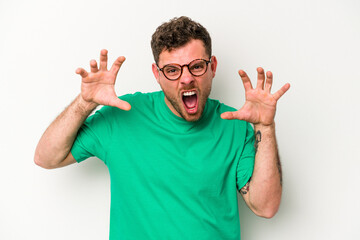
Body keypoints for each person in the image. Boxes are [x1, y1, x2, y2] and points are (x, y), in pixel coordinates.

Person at [34, 16, 290, 240]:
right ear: (157, 74)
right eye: (172, 70)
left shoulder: (234, 125)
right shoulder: (122, 116)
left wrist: (265, 126)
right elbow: (46, 157)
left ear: (212, 67)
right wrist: (85, 102)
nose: (186, 78)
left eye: (197, 66)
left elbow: (265, 207)